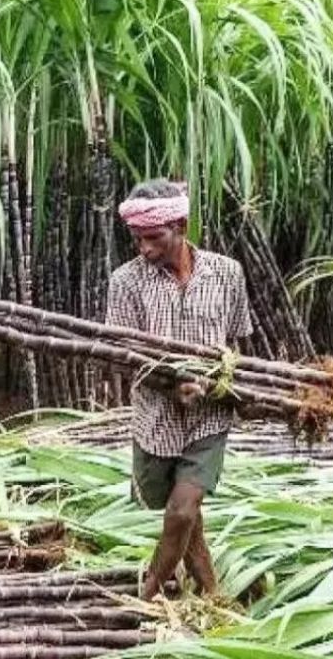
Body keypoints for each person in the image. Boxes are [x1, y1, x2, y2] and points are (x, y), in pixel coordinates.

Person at [105, 179, 252, 601]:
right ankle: (212, 593)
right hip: (155, 420)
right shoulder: (126, 282)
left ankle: (146, 596)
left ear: (182, 225)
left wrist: (221, 384)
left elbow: (237, 341)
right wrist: (173, 387)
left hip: (210, 416)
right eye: (137, 239)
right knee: (181, 516)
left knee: (183, 509)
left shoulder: (228, 273)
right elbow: (127, 354)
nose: (145, 249)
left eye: (155, 238)